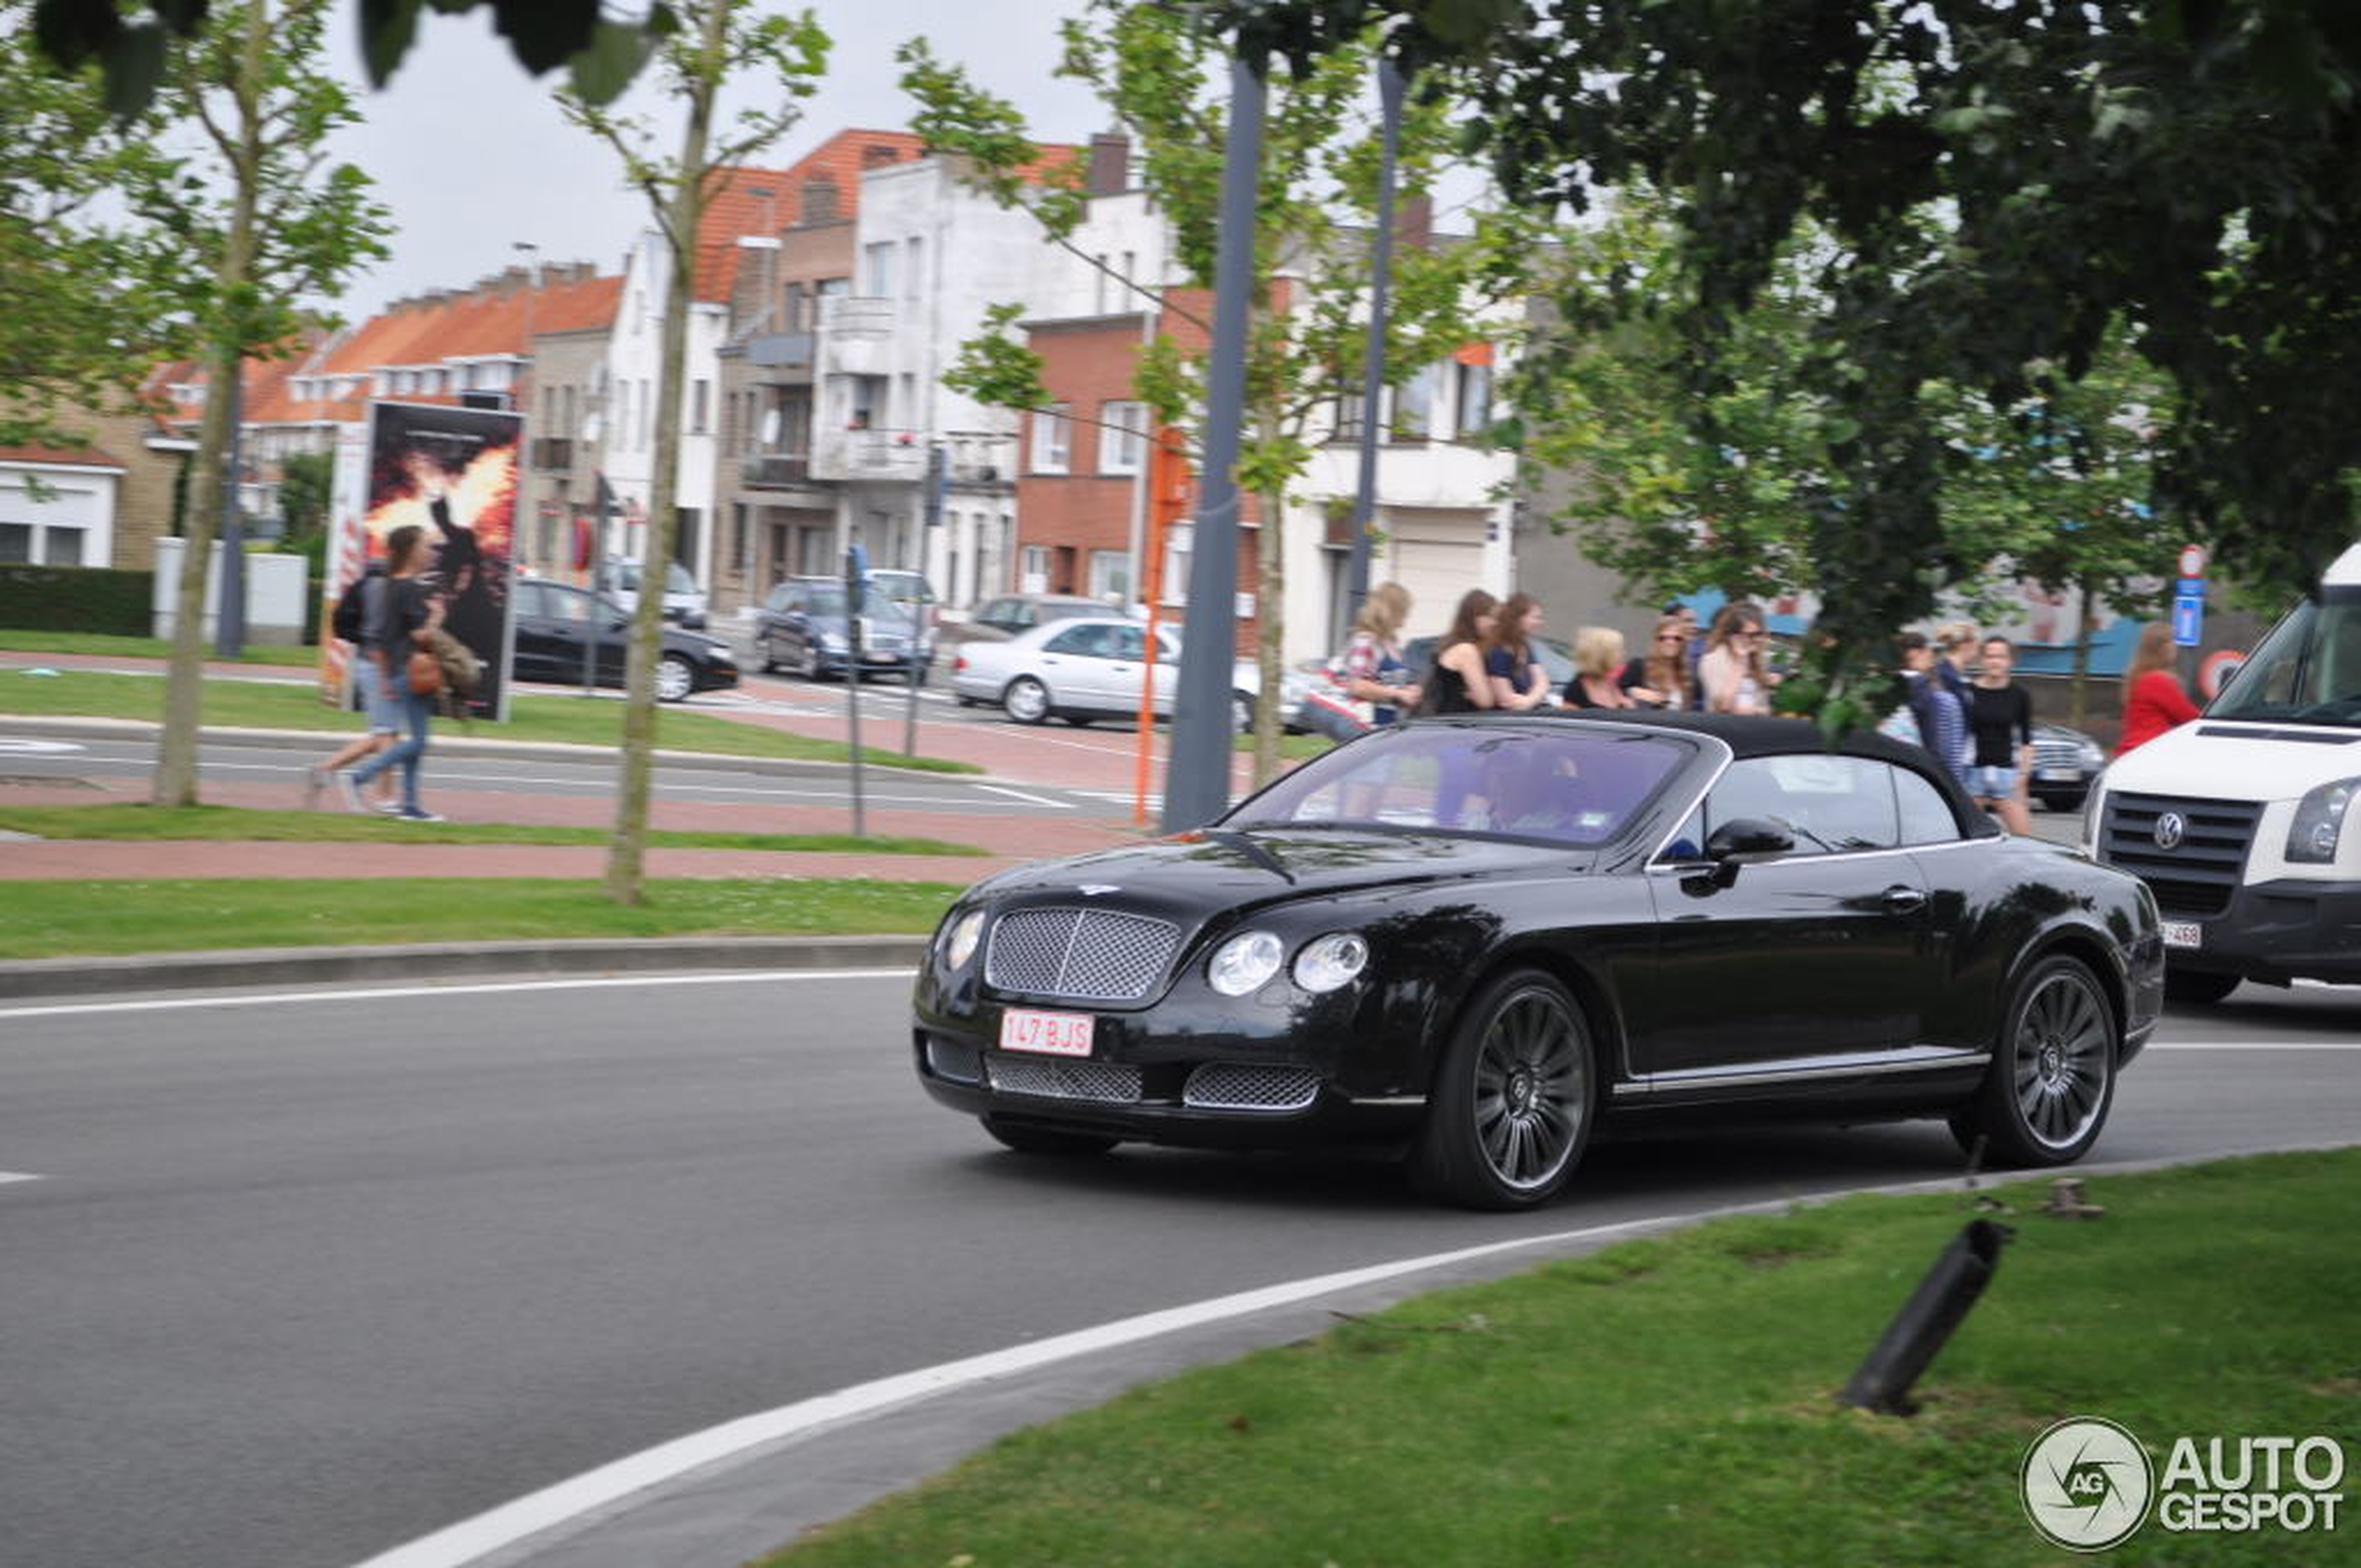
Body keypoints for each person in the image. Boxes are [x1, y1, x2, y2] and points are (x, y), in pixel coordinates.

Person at [339, 523, 447, 823]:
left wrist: (386, 678)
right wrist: (437, 618)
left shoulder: (390, 584)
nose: (430, 551)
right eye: (425, 545)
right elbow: (421, 637)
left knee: (415, 740)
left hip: (398, 672)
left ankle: (410, 806)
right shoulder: (410, 587)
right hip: (414, 673)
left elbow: (384, 638)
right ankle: (360, 778)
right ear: (411, 550)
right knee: (418, 741)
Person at [1965, 634, 2034, 834]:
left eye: (2001, 656)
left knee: (2024, 838)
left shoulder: (2020, 695)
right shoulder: (1967, 692)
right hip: (1972, 774)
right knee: (1966, 838)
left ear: (2010, 661)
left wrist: (2023, 776)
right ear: (1982, 659)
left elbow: (2027, 740)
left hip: (2007, 775)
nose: (1995, 661)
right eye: (1990, 656)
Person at [1338, 581, 1420, 725]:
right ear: (1393, 611)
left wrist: (1410, 690)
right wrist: (1398, 693)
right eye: (1404, 610)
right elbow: (1358, 686)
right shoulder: (1366, 640)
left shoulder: (1390, 644)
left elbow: (1386, 683)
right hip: (1363, 728)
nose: (1406, 616)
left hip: (1384, 728)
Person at [2118, 620, 2201, 755]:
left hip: (2132, 751)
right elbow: (2190, 718)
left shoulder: (2139, 678)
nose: (2176, 646)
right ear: (2163, 648)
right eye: (2172, 640)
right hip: (2150, 751)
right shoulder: (2157, 681)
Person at [1900, 631, 1971, 784]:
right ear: (1915, 653)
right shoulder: (1941, 697)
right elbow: (1949, 751)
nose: (1932, 655)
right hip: (1926, 775)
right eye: (1928, 650)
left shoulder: (1884, 690)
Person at [1425, 589, 1499, 714]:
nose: (1495, 623)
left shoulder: (1450, 645)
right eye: (1490, 617)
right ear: (1474, 617)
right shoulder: (1466, 651)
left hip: (1443, 723)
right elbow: (1485, 700)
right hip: (1455, 725)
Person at [1482, 592, 1554, 711]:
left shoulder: (1524, 646)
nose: (1540, 623)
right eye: (1535, 617)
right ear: (1518, 618)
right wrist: (1535, 696)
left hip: (1527, 715)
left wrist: (1528, 700)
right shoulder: (1498, 651)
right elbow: (1506, 701)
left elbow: (1543, 681)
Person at [1698, 602, 1772, 715]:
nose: (1756, 640)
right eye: (1750, 635)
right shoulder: (1712, 660)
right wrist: (1739, 662)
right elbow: (1723, 706)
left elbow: (1765, 708)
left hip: (1755, 726)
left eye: (1759, 634)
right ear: (1732, 637)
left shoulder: (1758, 660)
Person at [1620, 614, 1694, 709]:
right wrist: (1632, 691)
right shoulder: (1638, 666)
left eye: (1677, 638)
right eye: (1663, 638)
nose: (1670, 642)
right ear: (1655, 641)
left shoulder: (1688, 675)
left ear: (1683, 643)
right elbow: (1616, 693)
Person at [1563, 626, 1642, 709]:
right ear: (1603, 655)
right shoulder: (1575, 690)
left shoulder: (1610, 683)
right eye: (1618, 650)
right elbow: (1568, 718)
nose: (1623, 654)